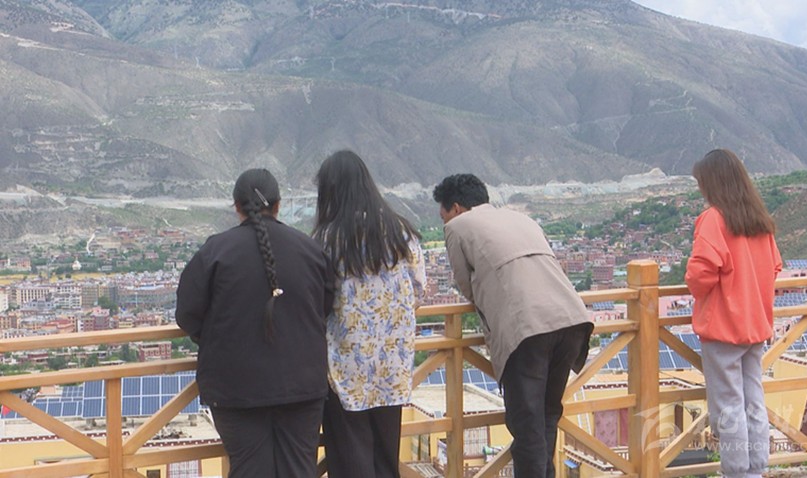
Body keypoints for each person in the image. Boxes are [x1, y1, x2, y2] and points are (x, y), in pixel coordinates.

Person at [176, 168, 335, 478]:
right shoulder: (310, 249)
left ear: (237, 206)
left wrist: (220, 338)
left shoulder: (215, 252)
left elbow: (187, 315)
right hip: (302, 383)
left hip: (234, 385)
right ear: (278, 205)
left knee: (248, 470)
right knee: (300, 470)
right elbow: (325, 306)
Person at [432, 173, 594, 478]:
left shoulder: (457, 226)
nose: (444, 222)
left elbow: (466, 286)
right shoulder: (521, 219)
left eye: (443, 216)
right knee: (546, 415)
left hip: (527, 329)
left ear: (455, 208)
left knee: (526, 424)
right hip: (572, 319)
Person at [313, 150, 425, 478]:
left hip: (345, 365)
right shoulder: (401, 232)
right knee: (386, 458)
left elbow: (316, 299)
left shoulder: (327, 239)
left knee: (351, 459)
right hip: (392, 363)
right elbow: (419, 289)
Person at [685, 149, 782, 478]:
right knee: (754, 401)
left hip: (724, 328)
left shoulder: (714, 219)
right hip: (756, 326)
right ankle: (756, 468)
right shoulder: (759, 219)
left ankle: (737, 472)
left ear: (712, 183)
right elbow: (775, 267)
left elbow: (700, 274)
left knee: (728, 406)